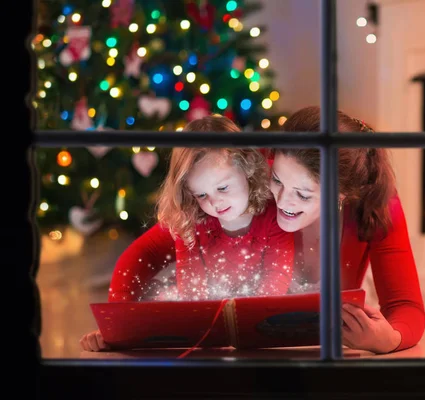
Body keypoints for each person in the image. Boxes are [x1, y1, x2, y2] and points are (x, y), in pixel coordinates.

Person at [80, 115, 294, 352]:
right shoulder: (191, 221)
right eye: (201, 195)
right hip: (208, 330)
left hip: (261, 328)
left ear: (247, 168)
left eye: (222, 187)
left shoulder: (274, 212)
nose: (214, 202)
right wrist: (116, 328)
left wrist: (249, 324)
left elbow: (276, 277)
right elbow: (192, 288)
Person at [268, 106, 425, 354]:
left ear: (341, 194)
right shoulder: (247, 184)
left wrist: (388, 340)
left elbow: (406, 306)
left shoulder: (376, 202)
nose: (282, 200)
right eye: (276, 180)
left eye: (302, 194)